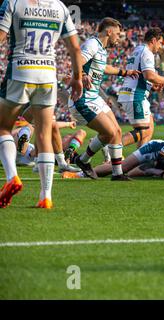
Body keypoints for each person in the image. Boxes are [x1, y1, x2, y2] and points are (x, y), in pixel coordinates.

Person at [0, 0, 83, 209]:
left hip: (20, 71)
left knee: (3, 127)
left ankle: (12, 177)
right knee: (44, 134)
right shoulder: (60, 7)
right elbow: (74, 47)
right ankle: (46, 196)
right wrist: (77, 77)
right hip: (48, 76)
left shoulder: (13, 3)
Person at [69, 18, 140, 180]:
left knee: (117, 131)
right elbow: (77, 61)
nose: (118, 38)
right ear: (108, 31)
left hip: (94, 97)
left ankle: (116, 173)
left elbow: (104, 68)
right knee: (109, 132)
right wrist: (84, 75)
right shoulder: (92, 44)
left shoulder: (101, 48)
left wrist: (125, 72)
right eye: (117, 34)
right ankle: (84, 160)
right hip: (83, 99)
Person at [118, 27, 164, 149]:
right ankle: (113, 146)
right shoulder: (147, 52)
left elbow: (142, 75)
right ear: (153, 40)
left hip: (132, 92)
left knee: (150, 126)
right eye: (160, 43)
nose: (160, 47)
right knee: (146, 130)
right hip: (135, 94)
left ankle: (138, 161)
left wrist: (152, 86)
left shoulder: (138, 49)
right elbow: (149, 75)